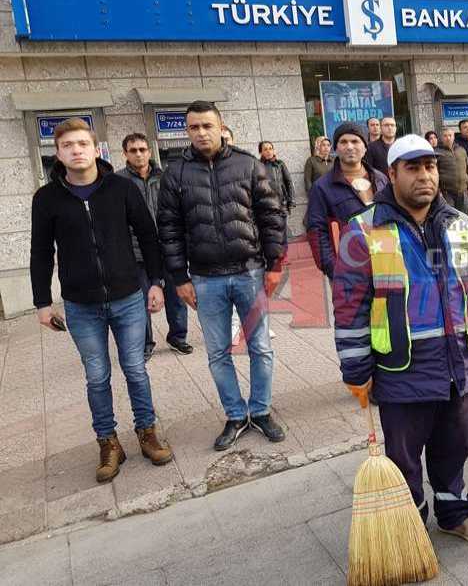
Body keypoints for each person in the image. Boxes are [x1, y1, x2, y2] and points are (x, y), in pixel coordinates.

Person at [332, 134, 468, 545]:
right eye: (413, 168)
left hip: (457, 361)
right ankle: (411, 526)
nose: (425, 175)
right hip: (401, 367)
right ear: (392, 174)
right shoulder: (364, 230)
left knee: (457, 444)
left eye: (429, 167)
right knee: (404, 457)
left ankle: (454, 513)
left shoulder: (459, 224)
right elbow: (349, 306)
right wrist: (356, 368)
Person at [31, 118, 173, 483]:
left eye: (82, 143)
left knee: (135, 368)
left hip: (128, 297)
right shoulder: (46, 199)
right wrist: (42, 303)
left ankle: (147, 432)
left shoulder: (120, 188)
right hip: (81, 305)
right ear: (57, 154)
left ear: (97, 150)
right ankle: (108, 443)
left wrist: (156, 282)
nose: (76, 150)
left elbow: (148, 234)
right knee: (97, 376)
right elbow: (41, 252)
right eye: (67, 145)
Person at [158, 100, 287, 451]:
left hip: (250, 272)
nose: (201, 133)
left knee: (260, 347)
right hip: (204, 278)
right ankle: (235, 415)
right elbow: (168, 229)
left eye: (207, 126)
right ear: (187, 131)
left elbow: (271, 216)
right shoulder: (175, 173)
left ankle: (260, 411)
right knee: (217, 353)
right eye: (194, 127)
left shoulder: (248, 164)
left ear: (220, 126)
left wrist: (275, 265)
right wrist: (179, 277)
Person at [118, 132, 192, 361]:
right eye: (133, 150)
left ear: (150, 151)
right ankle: (145, 343)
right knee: (141, 300)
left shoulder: (165, 177)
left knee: (176, 295)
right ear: (125, 154)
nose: (139, 154)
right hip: (137, 250)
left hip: (168, 246)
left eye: (142, 149)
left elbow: (179, 209)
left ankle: (177, 337)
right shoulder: (118, 182)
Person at [306, 122, 389, 282]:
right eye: (343, 142)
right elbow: (316, 232)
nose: (350, 147)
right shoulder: (322, 187)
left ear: (365, 147)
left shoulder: (381, 179)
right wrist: (334, 269)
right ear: (336, 148)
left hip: (385, 264)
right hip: (348, 274)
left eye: (355, 141)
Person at [435, 127, 468, 212]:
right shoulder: (437, 153)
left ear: (453, 137)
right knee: (450, 216)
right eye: (445, 136)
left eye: (450, 135)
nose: (448, 138)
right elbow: (435, 174)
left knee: (463, 216)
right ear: (442, 138)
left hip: (463, 192)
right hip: (447, 194)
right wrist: (438, 191)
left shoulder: (461, 150)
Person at [259, 141, 295, 212]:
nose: (268, 151)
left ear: (273, 150)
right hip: (266, 207)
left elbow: (289, 182)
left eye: (270, 148)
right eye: (265, 149)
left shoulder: (280, 164)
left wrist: (291, 200)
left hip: (282, 204)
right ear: (261, 152)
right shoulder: (258, 166)